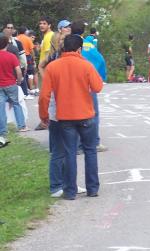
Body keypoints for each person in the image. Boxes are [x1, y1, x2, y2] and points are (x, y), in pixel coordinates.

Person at [39, 34, 103, 200]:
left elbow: (44, 96)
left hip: (65, 117)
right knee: (90, 151)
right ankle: (92, 188)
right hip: (86, 116)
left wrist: (44, 115)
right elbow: (97, 87)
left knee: (69, 152)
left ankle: (70, 191)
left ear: (64, 47)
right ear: (79, 49)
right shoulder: (86, 65)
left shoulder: (53, 67)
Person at [71, 21, 107, 153]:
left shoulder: (66, 43)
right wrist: (101, 77)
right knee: (93, 113)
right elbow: (100, 60)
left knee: (74, 113)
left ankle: (76, 144)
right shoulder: (87, 44)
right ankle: (94, 142)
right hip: (87, 83)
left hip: (71, 84)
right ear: (83, 31)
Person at [0, 35, 27, 140]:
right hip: (11, 83)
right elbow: (18, 71)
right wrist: (19, 80)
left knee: (1, 108)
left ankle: (3, 130)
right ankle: (21, 126)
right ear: (7, 44)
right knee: (16, 104)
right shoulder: (11, 56)